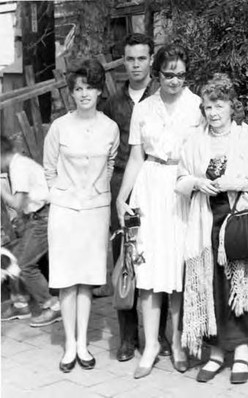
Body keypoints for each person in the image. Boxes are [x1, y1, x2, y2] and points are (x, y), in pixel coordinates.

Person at [116, 44, 203, 379]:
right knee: (149, 269)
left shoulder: (196, 106)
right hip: (150, 188)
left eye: (181, 75)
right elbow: (136, 158)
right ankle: (151, 344)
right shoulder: (144, 108)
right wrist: (122, 198)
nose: (175, 81)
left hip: (182, 187)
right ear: (157, 72)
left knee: (178, 269)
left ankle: (178, 343)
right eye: (169, 74)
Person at [177, 74, 248, 385]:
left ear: (232, 106)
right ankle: (216, 353)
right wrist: (196, 183)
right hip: (205, 219)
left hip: (236, 218)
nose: (213, 113)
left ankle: (241, 351)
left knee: (236, 285)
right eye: (208, 107)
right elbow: (181, 178)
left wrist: (234, 183)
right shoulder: (194, 140)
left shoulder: (246, 136)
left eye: (219, 106)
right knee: (212, 285)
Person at [43, 59, 119, 373]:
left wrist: (96, 193)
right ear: (71, 93)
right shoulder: (59, 127)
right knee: (66, 279)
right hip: (64, 211)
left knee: (86, 280)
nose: (84, 94)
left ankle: (84, 343)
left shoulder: (110, 127)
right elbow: (49, 169)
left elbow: (111, 164)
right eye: (78, 89)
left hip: (95, 211)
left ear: (100, 90)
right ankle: (69, 345)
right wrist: (62, 196)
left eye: (89, 87)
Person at [102, 33, 171, 363]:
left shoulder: (163, 97)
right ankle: (128, 337)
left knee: (159, 255)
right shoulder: (113, 103)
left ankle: (159, 336)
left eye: (142, 58)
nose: (136, 65)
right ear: (123, 62)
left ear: (151, 60)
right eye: (130, 59)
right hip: (124, 186)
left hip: (158, 185)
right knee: (126, 260)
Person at [0, 135, 61, 327]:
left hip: (45, 217)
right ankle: (21, 303)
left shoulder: (18, 167)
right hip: (37, 216)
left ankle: (52, 306)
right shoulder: (18, 164)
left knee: (25, 265)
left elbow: (17, 203)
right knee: (13, 256)